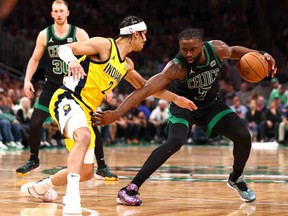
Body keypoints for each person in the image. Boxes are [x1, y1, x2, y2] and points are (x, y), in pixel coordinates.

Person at [20, 16, 195, 214]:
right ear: (135, 34)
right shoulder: (104, 45)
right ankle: (71, 198)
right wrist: (71, 61)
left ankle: (40, 187)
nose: (146, 39)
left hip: (86, 111)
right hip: (67, 98)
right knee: (84, 136)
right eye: (144, 35)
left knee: (85, 172)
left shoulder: (126, 64)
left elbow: (146, 88)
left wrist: (176, 99)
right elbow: (64, 49)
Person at [93, 28, 277, 205]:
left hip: (211, 104)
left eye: (193, 49)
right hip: (183, 105)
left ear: (202, 46)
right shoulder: (175, 67)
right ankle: (131, 188)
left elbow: (235, 51)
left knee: (244, 136)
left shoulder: (217, 49)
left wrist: (261, 53)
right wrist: (116, 114)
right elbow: (146, 89)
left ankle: (236, 178)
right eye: (184, 49)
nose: (188, 54)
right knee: (175, 141)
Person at [15, 0, 118, 181]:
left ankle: (102, 166)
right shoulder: (44, 35)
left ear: (68, 13)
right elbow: (34, 59)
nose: (59, 14)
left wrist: (105, 88)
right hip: (52, 85)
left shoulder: (79, 33)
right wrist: (26, 80)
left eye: (62, 11)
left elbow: (96, 58)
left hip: (74, 87)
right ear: (52, 14)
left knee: (91, 124)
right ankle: (33, 159)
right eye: (56, 11)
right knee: (35, 123)